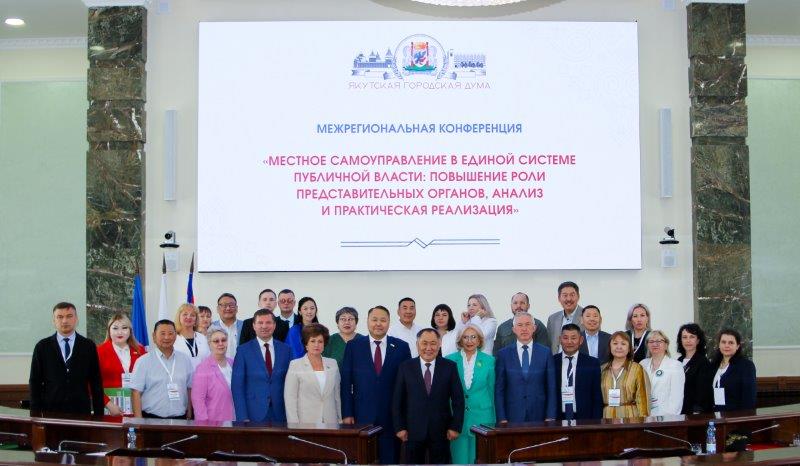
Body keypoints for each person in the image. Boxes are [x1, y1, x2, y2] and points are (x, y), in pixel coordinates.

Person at [341, 305, 411, 464]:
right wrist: (347, 413)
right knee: (363, 459)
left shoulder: (401, 347)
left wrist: (404, 418)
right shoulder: (353, 346)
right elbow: (346, 383)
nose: (378, 324)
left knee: (390, 459)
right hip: (361, 417)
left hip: (392, 418)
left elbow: (407, 386)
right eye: (374, 319)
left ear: (389, 322)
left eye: (383, 320)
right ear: (367, 321)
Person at [393, 329, 464, 464]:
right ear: (417, 344)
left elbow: (458, 400)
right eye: (424, 343)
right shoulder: (405, 367)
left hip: (441, 431)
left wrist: (455, 427)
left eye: (433, 343)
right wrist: (399, 427)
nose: (428, 348)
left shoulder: (449, 367)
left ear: (439, 344)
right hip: (412, 431)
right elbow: (397, 401)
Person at [29, 302, 104, 415]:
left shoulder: (88, 346)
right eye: (60, 317)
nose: (64, 321)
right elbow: (35, 382)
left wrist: (99, 415)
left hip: (81, 412)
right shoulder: (42, 347)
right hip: (51, 412)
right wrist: (35, 415)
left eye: (69, 316)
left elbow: (96, 382)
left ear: (76, 319)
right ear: (54, 321)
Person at [495, 312, 557, 423]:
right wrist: (501, 417)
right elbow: (499, 389)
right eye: (520, 325)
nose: (524, 329)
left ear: (534, 328)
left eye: (528, 324)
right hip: (512, 415)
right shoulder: (503, 354)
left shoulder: (545, 353)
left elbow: (551, 387)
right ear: (514, 329)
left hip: (539, 414)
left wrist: (550, 416)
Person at [446, 324, 495, 464]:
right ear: (460, 340)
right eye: (465, 337)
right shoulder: (449, 360)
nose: (469, 341)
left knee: (480, 460)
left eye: (473, 337)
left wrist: (495, 419)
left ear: (479, 340)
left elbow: (492, 391)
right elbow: (445, 393)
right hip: (457, 420)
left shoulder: (489, 361)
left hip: (483, 419)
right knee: (459, 460)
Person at [231, 309, 291, 422]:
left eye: (268, 322)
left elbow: (290, 383)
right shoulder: (243, 351)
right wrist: (242, 416)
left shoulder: (286, 350)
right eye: (260, 323)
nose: (264, 326)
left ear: (274, 325)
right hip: (253, 413)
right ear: (254, 326)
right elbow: (237, 387)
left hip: (281, 413)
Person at [130, 320, 194, 419]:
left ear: (175, 336)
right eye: (162, 333)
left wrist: (190, 412)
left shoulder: (185, 359)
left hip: (180, 418)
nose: (167, 337)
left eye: (170, 333)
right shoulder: (143, 361)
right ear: (154, 336)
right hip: (151, 419)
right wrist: (139, 421)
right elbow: (136, 392)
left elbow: (189, 388)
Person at [284, 323, 341, 423]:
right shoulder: (295, 365)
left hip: (331, 421)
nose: (316, 345)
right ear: (306, 344)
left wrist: (339, 419)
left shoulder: (333, 364)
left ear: (324, 344)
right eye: (313, 341)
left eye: (320, 341)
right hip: (305, 422)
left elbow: (336, 395)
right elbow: (290, 398)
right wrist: (294, 425)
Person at [96, 313, 146, 415]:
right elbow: (90, 383)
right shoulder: (99, 351)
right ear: (109, 331)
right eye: (115, 328)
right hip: (109, 409)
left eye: (124, 328)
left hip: (137, 408)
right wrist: (108, 403)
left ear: (130, 331)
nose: (120, 332)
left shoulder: (141, 351)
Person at [553, 324, 603, 420]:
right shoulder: (552, 362)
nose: (569, 342)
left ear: (581, 340)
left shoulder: (592, 363)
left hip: (585, 418)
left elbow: (597, 395)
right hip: (558, 417)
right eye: (565, 338)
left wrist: (596, 420)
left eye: (573, 338)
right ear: (560, 340)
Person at [701, 328, 756, 412]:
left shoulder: (746, 366)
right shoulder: (713, 365)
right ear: (719, 345)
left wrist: (743, 418)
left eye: (731, 343)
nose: (726, 345)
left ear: (737, 346)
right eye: (723, 342)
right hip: (713, 415)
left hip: (734, 416)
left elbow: (749, 398)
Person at [600, 331, 649, 419]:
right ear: (610, 347)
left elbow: (643, 399)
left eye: (623, 344)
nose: (619, 347)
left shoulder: (637, 369)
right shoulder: (602, 370)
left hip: (631, 418)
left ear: (629, 348)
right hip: (607, 418)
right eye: (615, 343)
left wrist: (643, 421)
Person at [191, 327, 235, 422]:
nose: (220, 343)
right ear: (209, 344)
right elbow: (198, 401)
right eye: (216, 341)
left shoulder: (234, 363)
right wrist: (204, 424)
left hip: (236, 420)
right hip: (214, 423)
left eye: (223, 340)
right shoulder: (202, 368)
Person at [640, 330, 684, 416]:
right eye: (651, 341)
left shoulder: (675, 365)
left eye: (659, 341)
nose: (655, 344)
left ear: (666, 345)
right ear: (647, 345)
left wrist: (669, 418)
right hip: (645, 415)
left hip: (666, 417)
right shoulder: (643, 364)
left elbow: (677, 397)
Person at [676, 323, 710, 414]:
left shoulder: (703, 362)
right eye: (684, 337)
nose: (688, 340)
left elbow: (703, 391)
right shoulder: (678, 361)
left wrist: (697, 410)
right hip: (678, 409)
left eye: (692, 337)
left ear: (698, 340)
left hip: (694, 412)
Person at [546, 281, 584, 354]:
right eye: (565, 295)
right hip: (556, 359)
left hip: (580, 360)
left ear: (578, 297)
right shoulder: (552, 319)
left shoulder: (587, 316)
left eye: (572, 295)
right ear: (559, 298)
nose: (568, 299)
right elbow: (549, 344)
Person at [173, 303, 210, 369]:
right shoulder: (173, 339)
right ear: (179, 317)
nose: (188, 317)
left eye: (192, 315)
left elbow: (209, 359)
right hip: (181, 375)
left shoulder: (202, 338)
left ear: (196, 319)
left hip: (203, 374)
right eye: (185, 314)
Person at [213, 293, 244, 358]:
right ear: (218, 309)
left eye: (231, 305)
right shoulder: (211, 327)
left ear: (237, 308)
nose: (228, 308)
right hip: (217, 364)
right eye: (224, 305)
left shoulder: (245, 326)